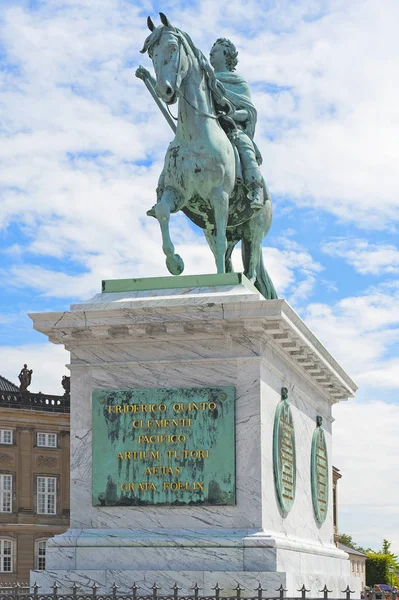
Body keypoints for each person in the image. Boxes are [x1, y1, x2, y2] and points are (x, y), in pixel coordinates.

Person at [209, 38, 264, 209]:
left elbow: (248, 112)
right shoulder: (204, 79)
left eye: (215, 50)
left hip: (232, 128)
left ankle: (256, 189)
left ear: (225, 54)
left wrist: (232, 113)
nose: (210, 53)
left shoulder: (238, 83)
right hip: (207, 125)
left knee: (245, 147)